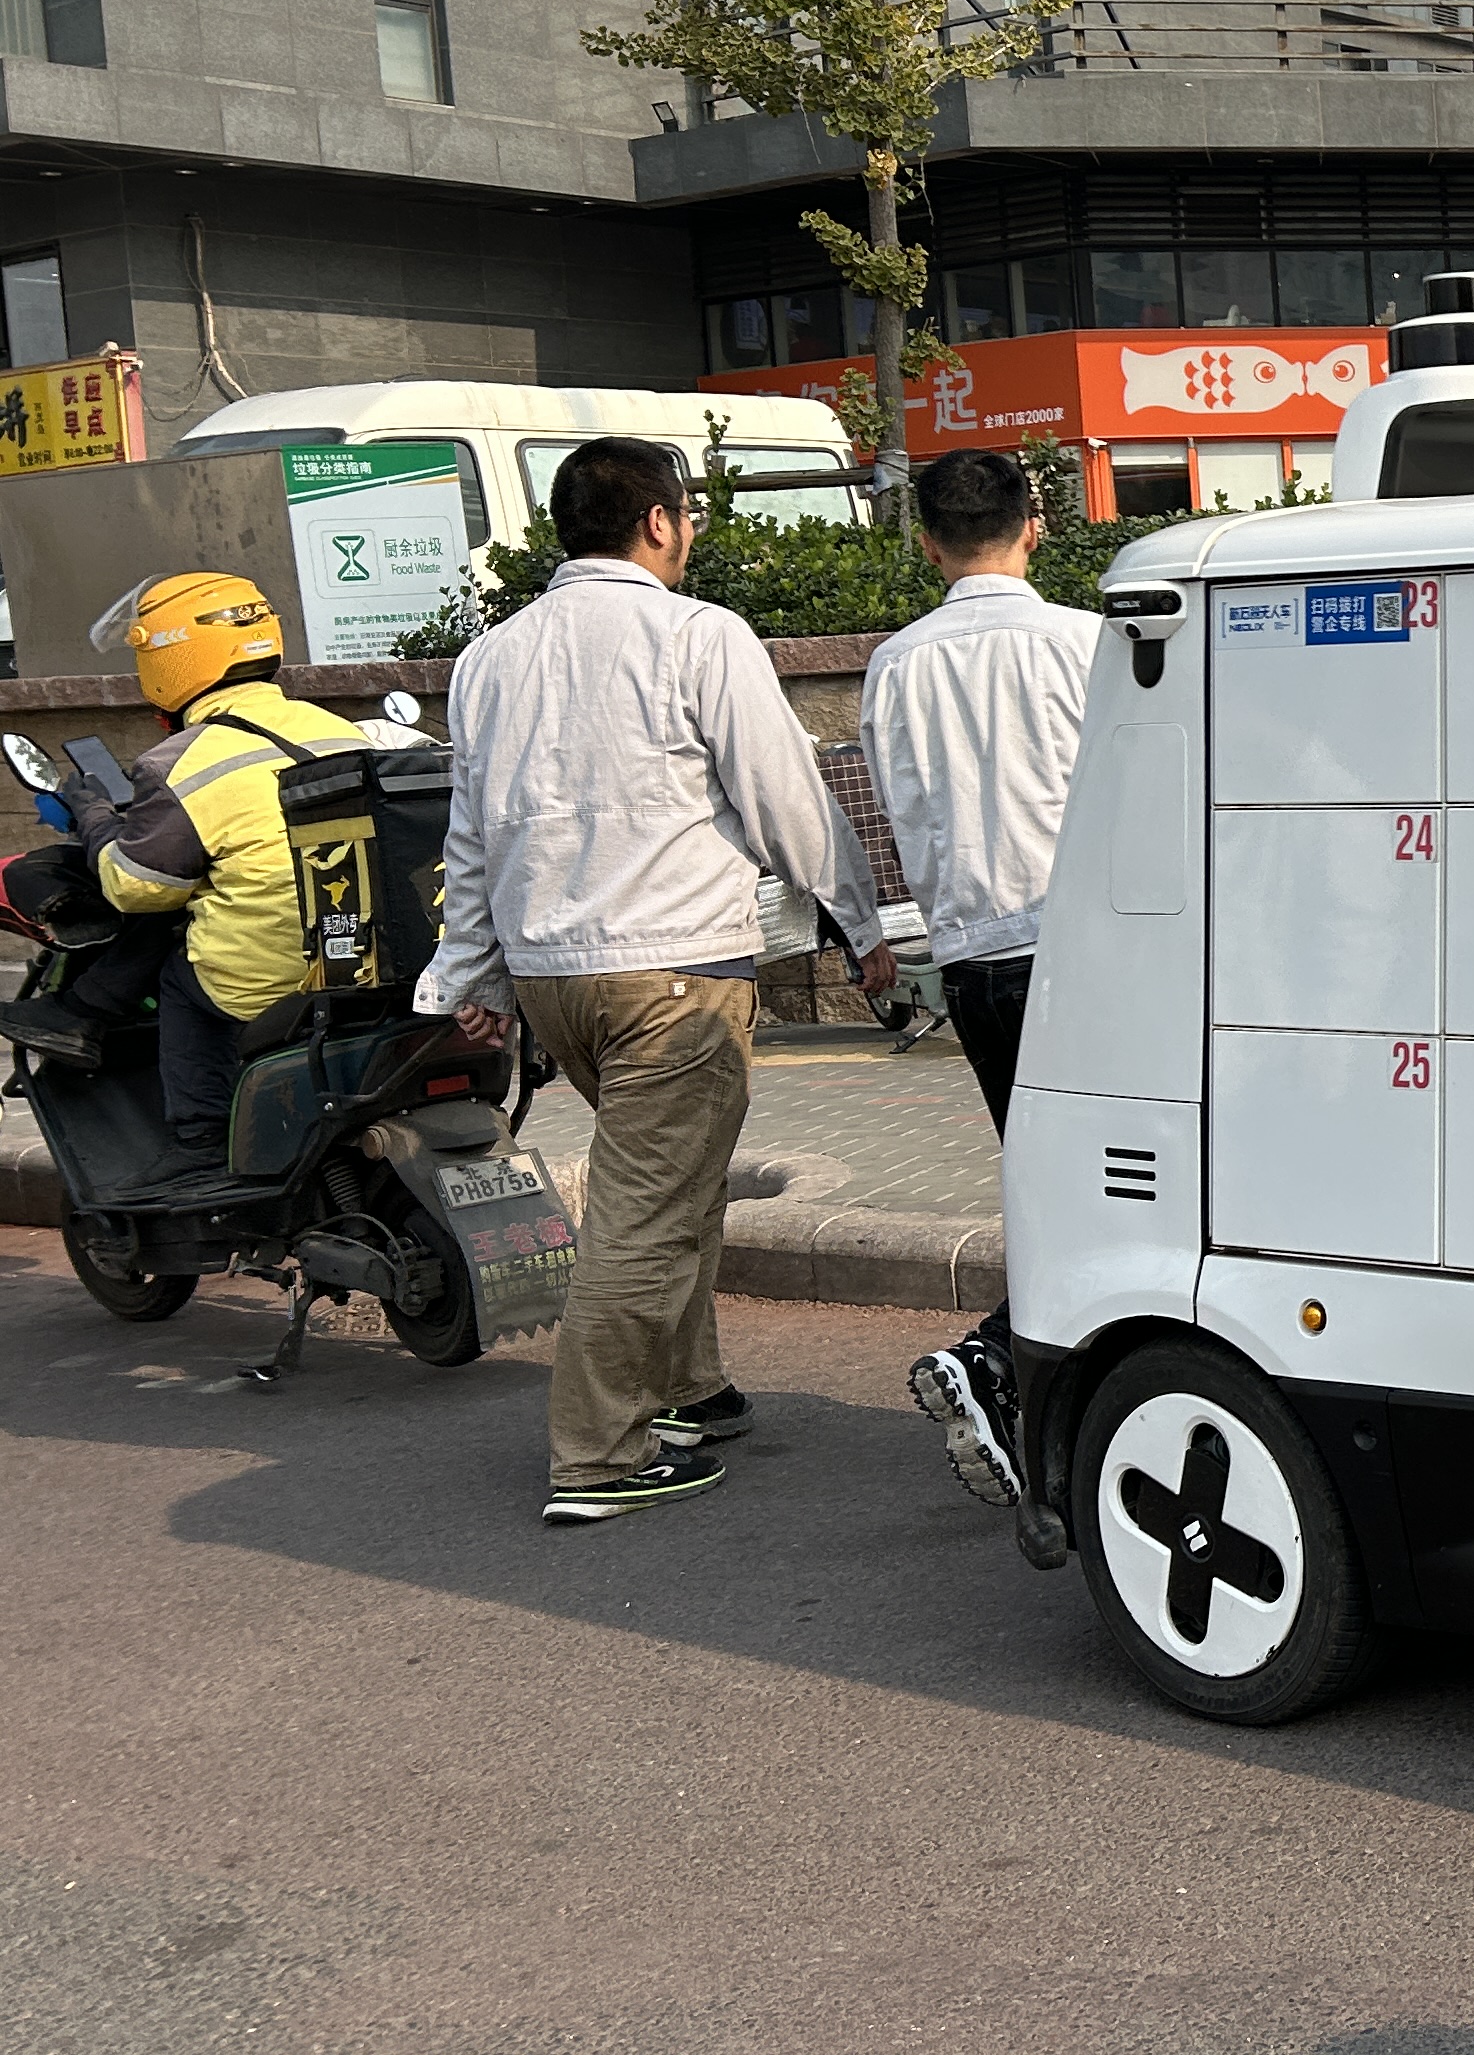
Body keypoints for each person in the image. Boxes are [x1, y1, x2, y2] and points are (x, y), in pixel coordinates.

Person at [419, 438, 891, 1528]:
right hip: (673, 972)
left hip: (553, 980)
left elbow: (473, 834)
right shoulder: (697, 634)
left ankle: (692, 1387)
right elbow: (787, 802)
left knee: (674, 1183)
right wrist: (861, 926)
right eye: (689, 516)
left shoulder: (492, 657)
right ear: (663, 522)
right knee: (643, 1214)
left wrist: (473, 972)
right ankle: (600, 1453)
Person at [866, 449, 1096, 1505]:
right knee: (1113, 1195)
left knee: (1049, 1185)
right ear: (1034, 523)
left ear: (927, 542)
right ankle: (1004, 1367)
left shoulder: (895, 665)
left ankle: (1029, 1397)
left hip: (971, 963)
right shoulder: (1084, 643)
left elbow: (897, 807)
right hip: (1090, 953)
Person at [0, 573, 361, 1179]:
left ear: (166, 662)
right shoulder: (335, 728)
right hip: (360, 947)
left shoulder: (182, 761)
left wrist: (91, 815)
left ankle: (197, 1145)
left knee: (183, 978)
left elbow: (134, 888)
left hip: (273, 965)